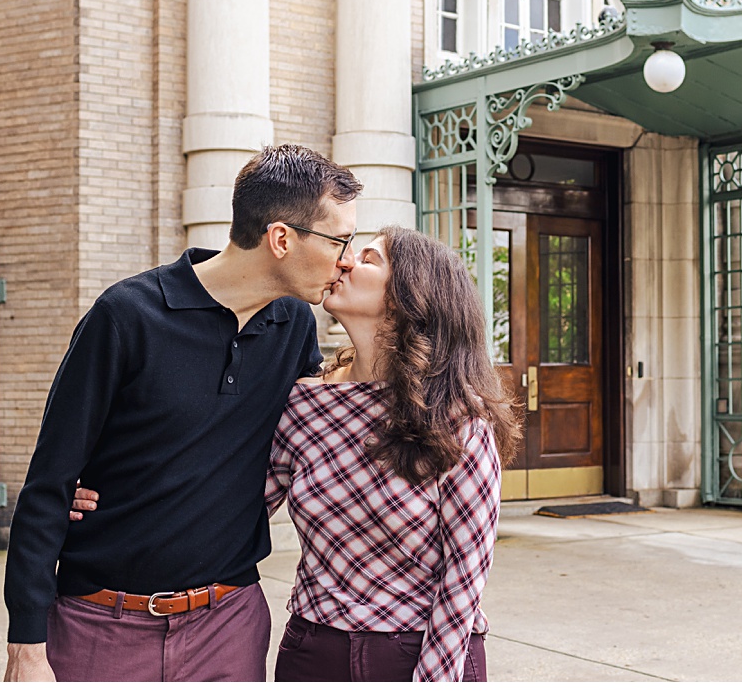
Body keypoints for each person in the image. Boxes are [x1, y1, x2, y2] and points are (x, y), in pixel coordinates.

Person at [73, 225, 519, 682]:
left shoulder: (458, 421)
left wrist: (433, 680)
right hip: (312, 647)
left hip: (416, 648)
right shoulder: (307, 405)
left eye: (368, 259)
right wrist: (110, 498)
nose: (344, 261)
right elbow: (229, 505)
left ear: (411, 296)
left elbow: (463, 578)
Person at [2, 143, 362, 682]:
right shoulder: (125, 317)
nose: (348, 259)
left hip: (230, 627)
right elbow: (48, 483)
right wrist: (27, 644)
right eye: (341, 240)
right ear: (281, 239)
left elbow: (331, 433)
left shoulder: (293, 328)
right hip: (101, 625)